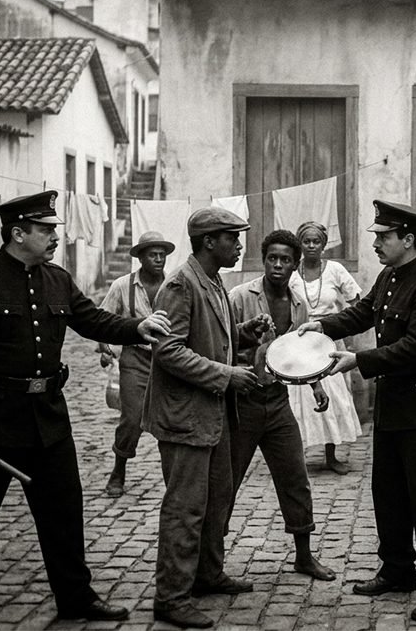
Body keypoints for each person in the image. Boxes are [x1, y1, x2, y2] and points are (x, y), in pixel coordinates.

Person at [0, 191, 171, 630]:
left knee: (63, 514)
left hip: (48, 421)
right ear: (18, 233)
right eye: (46, 229)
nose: (55, 236)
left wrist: (138, 327)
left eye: (54, 228)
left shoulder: (56, 279)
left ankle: (75, 597)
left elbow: (93, 319)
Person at [297, 200, 416, 622]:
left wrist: (359, 361)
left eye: (383, 237)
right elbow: (364, 311)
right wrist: (322, 325)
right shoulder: (390, 275)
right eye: (376, 236)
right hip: (394, 405)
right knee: (387, 494)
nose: (375, 243)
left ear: (408, 240)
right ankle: (398, 571)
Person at [142, 207, 271, 629]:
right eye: (233, 238)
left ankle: (208, 574)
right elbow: (168, 350)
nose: (239, 245)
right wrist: (226, 375)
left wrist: (244, 332)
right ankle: (172, 597)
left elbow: (212, 333)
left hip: (212, 414)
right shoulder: (180, 285)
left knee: (217, 501)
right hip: (185, 418)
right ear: (210, 241)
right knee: (185, 509)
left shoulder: (212, 280)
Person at [227, 229, 335, 582]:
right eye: (272, 258)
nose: (277, 265)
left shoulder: (298, 304)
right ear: (263, 260)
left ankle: (304, 556)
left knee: (295, 478)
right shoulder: (240, 297)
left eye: (285, 259)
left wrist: (317, 385)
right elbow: (220, 343)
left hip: (277, 403)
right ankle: (209, 559)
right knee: (226, 481)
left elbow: (301, 352)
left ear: (295, 263)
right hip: (242, 404)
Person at [96, 230, 175, 497]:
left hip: (170, 360)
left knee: (173, 420)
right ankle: (118, 469)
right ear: (140, 258)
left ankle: (174, 479)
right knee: (131, 419)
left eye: (162, 255)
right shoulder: (122, 286)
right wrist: (105, 348)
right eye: (152, 255)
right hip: (135, 359)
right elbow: (103, 320)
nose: (158, 259)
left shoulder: (175, 285)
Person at [288, 221, 363, 474]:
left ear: (323, 244)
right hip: (298, 339)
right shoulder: (290, 271)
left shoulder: (336, 270)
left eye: (316, 241)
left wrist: (343, 325)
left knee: (333, 394)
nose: (311, 246)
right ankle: (295, 458)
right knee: (297, 398)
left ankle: (331, 456)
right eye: (306, 241)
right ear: (300, 244)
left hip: (328, 338)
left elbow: (357, 301)